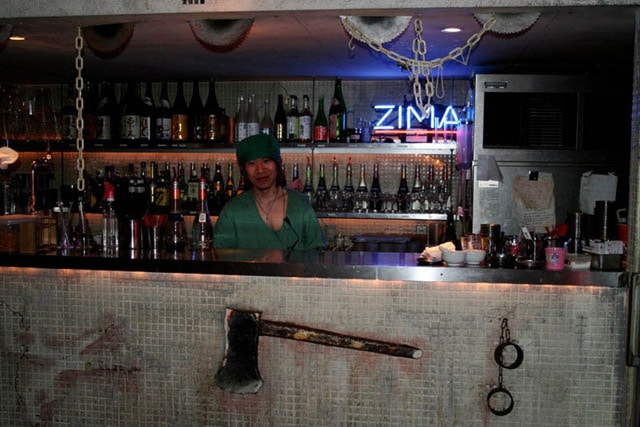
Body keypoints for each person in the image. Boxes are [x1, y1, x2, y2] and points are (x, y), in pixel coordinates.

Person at [213, 133, 324, 251]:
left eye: (266, 161)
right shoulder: (232, 211)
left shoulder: (300, 206)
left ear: (278, 163)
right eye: (251, 163)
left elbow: (316, 252)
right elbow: (220, 254)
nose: (260, 170)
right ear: (243, 170)